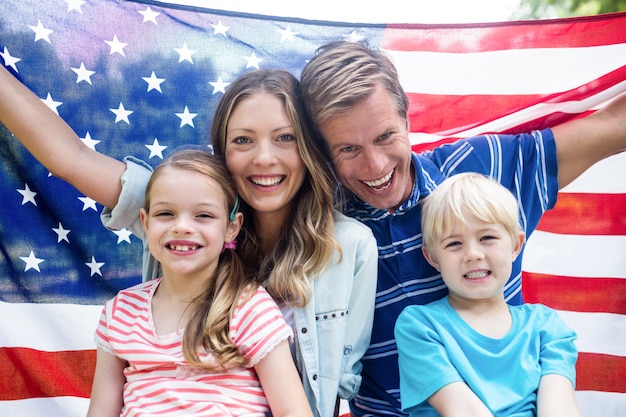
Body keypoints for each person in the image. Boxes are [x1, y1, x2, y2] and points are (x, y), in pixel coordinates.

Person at [0, 66, 378, 417]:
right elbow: (70, 158)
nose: (265, 157)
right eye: (243, 140)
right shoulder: (177, 204)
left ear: (309, 147)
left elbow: (339, 382)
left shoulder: (349, 246)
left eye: (285, 138)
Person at [298, 40, 626, 416]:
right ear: (323, 153)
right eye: (348, 150)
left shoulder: (484, 171)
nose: (374, 166)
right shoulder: (316, 228)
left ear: (406, 121)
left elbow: (614, 124)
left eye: (385, 136)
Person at [87, 148, 312, 417]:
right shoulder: (121, 312)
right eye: (165, 214)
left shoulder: (249, 307)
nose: (182, 227)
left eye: (203, 215)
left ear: (232, 228)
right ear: (145, 223)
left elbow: (293, 411)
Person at [394, 172, 581, 417]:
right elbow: (461, 410)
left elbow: (560, 409)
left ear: (515, 245)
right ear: (432, 257)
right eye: (454, 244)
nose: (473, 254)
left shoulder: (546, 328)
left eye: (487, 238)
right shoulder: (420, 326)